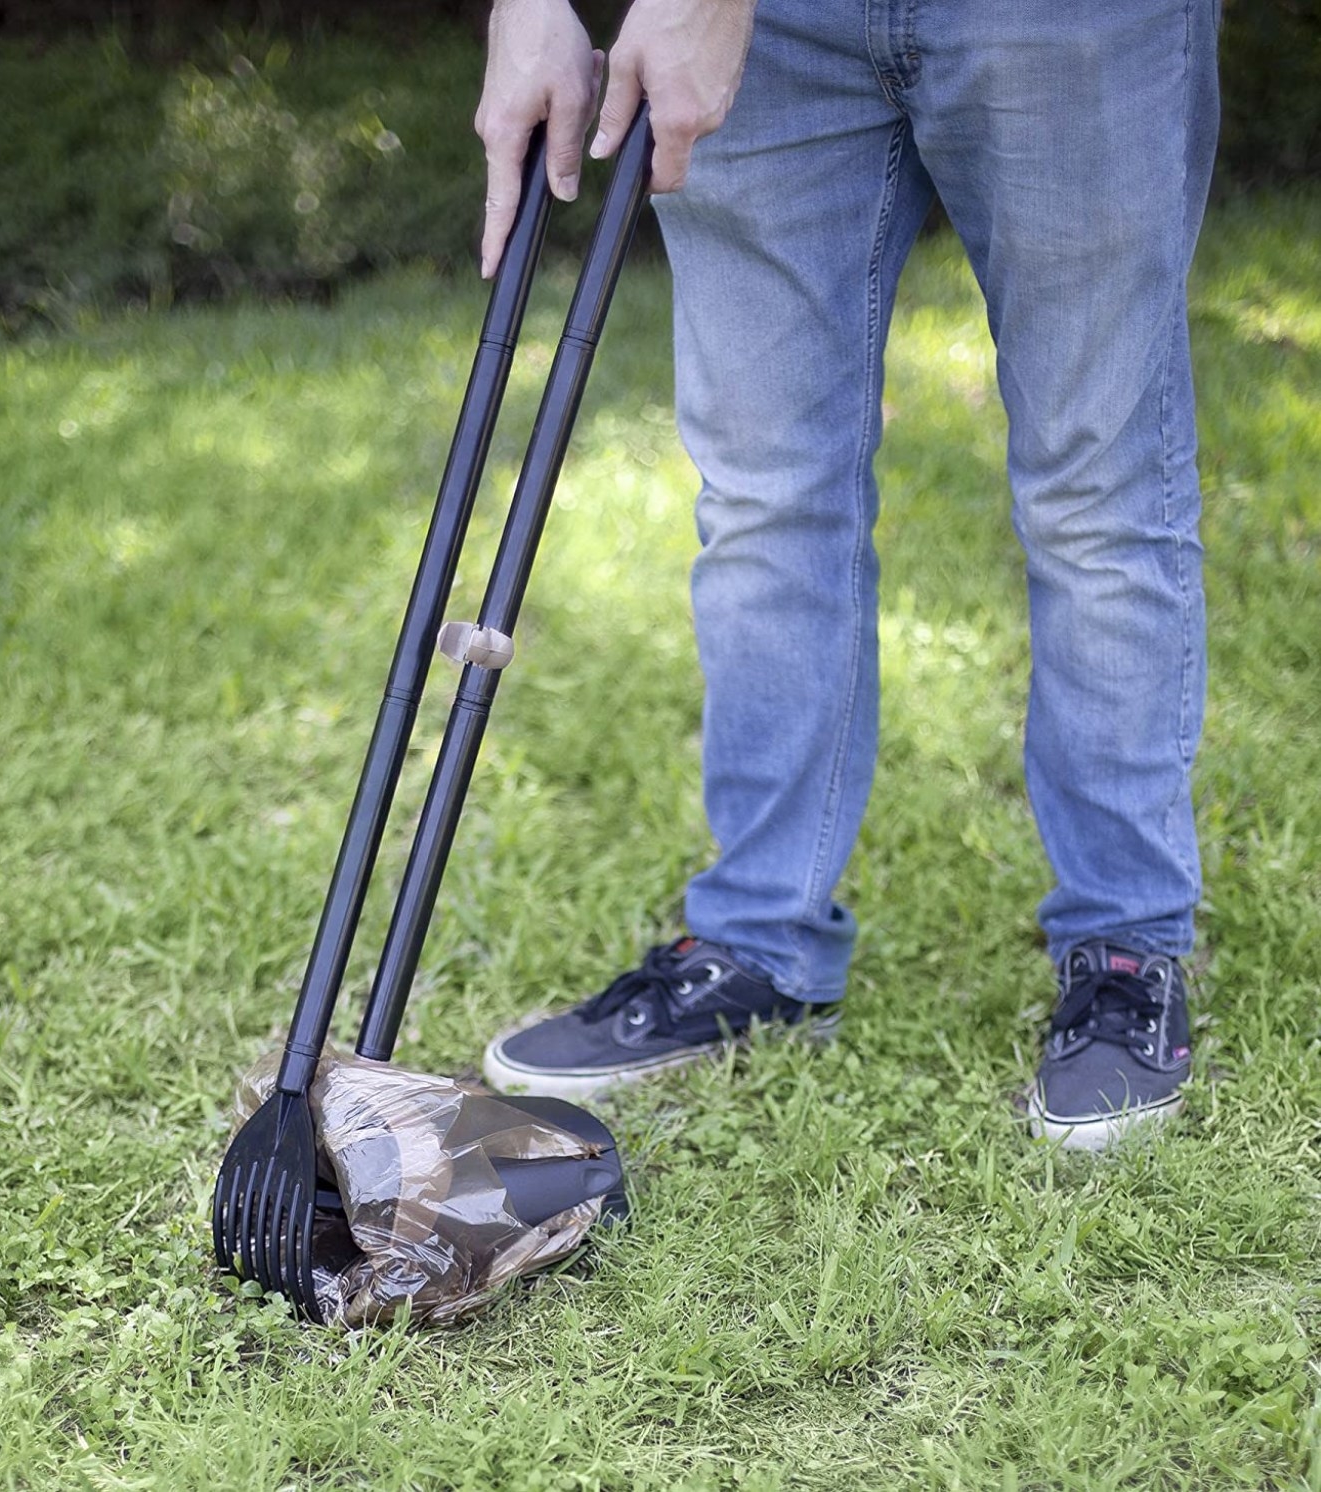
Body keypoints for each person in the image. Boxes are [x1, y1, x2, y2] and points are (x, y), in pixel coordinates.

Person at [473, 0, 1220, 1151]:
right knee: (766, 493)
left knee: (1096, 491)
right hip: (781, 30)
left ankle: (1129, 946)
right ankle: (759, 943)